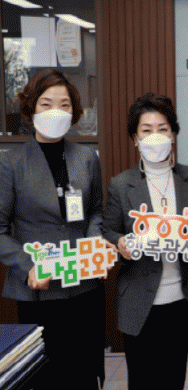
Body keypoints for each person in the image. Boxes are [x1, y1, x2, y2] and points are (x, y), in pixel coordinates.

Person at [0, 69, 115, 390]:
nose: (56, 112)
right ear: (31, 109)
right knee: (46, 378)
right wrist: (27, 266)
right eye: (46, 103)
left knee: (84, 374)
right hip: (40, 288)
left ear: (74, 111)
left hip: (84, 286)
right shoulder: (12, 163)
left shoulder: (85, 157)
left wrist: (95, 243)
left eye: (64, 105)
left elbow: (95, 211)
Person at [103, 93, 188, 390]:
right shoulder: (121, 184)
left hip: (180, 298)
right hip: (138, 299)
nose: (155, 136)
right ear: (135, 138)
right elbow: (108, 232)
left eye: (163, 129)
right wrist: (121, 243)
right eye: (146, 130)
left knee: (173, 379)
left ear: (173, 134)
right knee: (142, 381)